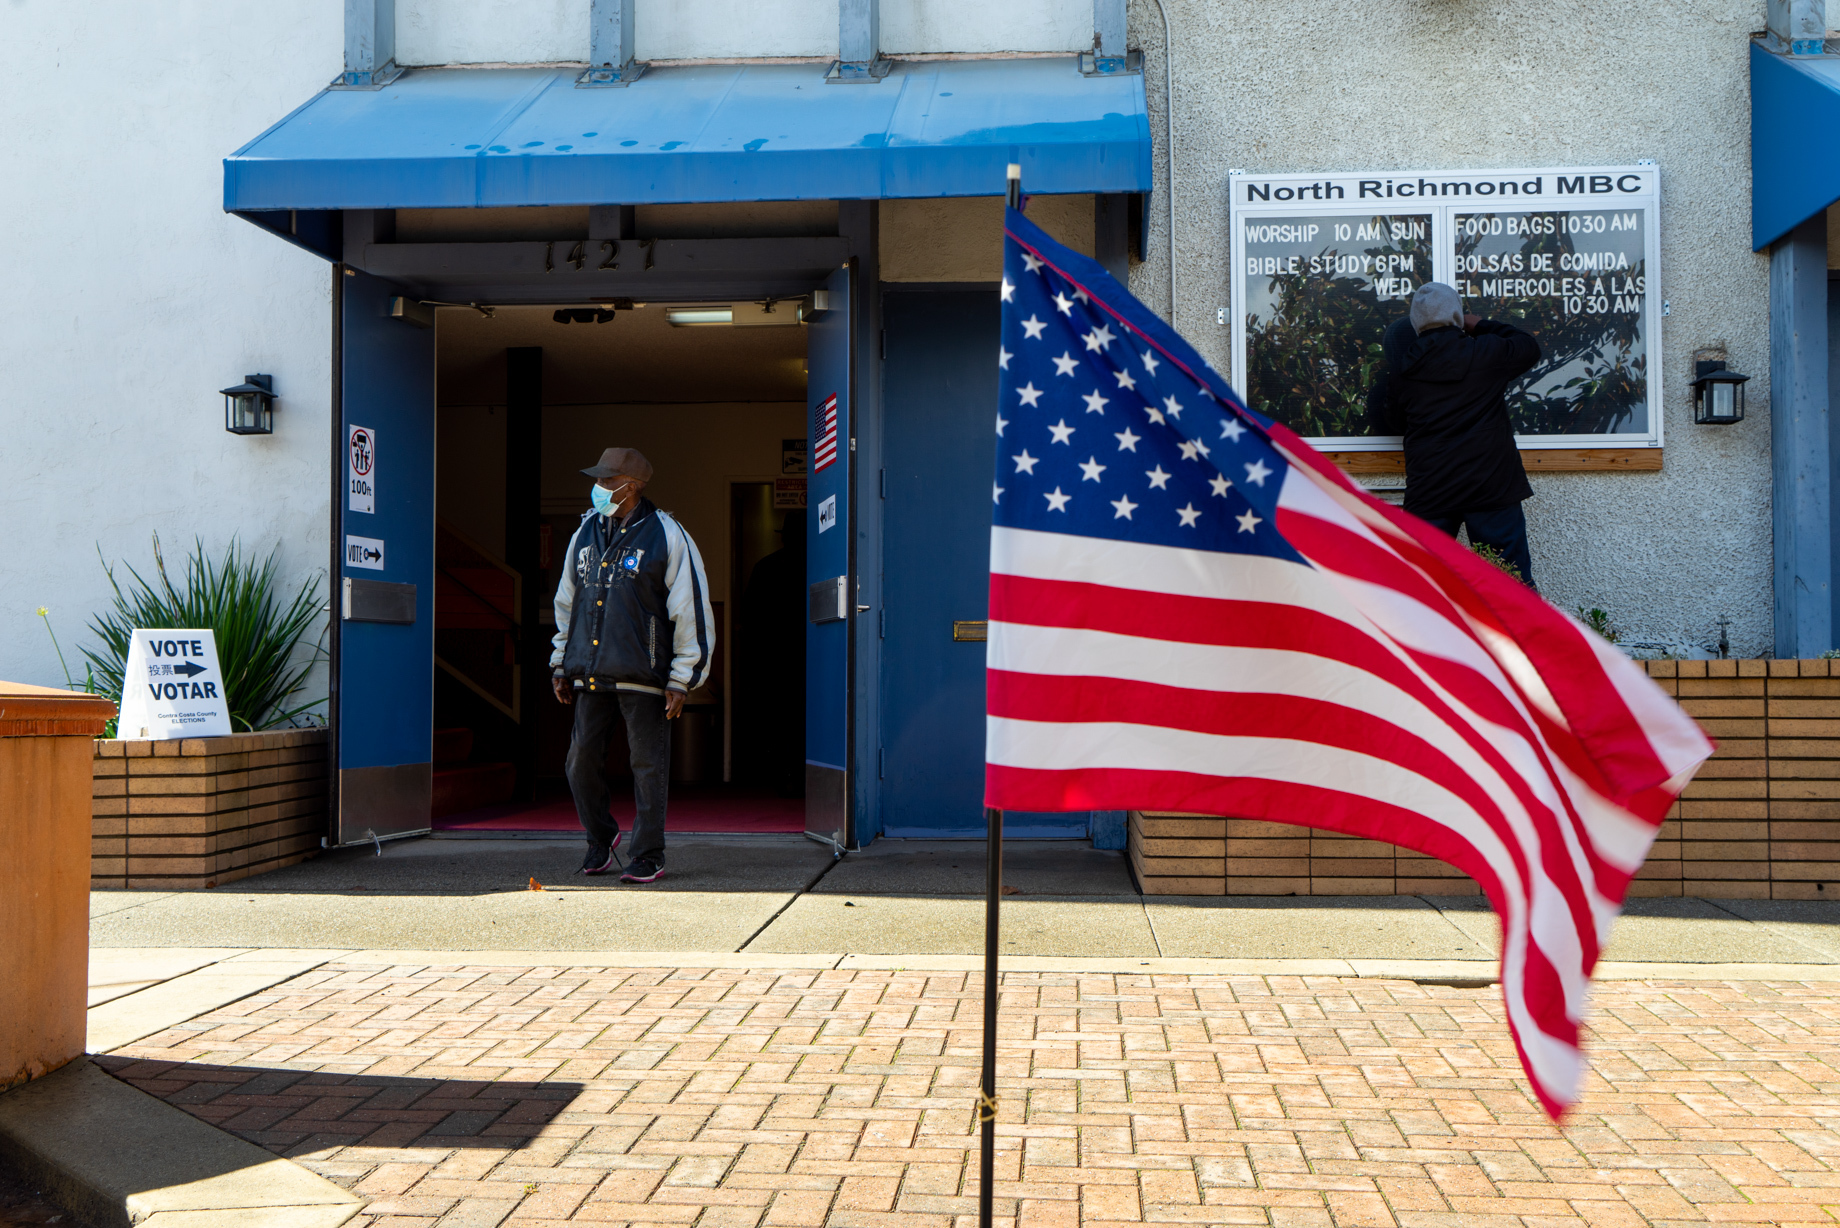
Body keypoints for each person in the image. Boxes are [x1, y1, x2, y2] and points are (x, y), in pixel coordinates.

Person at [551, 447, 714, 883]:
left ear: (633, 486)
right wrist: (560, 663)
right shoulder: (584, 532)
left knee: (648, 766)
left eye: (609, 481)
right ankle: (600, 839)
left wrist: (683, 677)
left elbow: (690, 608)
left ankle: (649, 854)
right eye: (599, 479)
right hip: (590, 671)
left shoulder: (667, 533)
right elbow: (567, 602)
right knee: (579, 761)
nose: (600, 488)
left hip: (644, 676)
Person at [1367, 281, 1542, 586]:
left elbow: (1394, 423)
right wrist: (1481, 324)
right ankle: (1513, 637)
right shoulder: (1485, 352)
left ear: (1416, 322)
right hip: (1491, 486)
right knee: (1510, 588)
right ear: (1457, 316)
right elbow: (1528, 346)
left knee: (1424, 588)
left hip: (1432, 490)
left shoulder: (1404, 372)